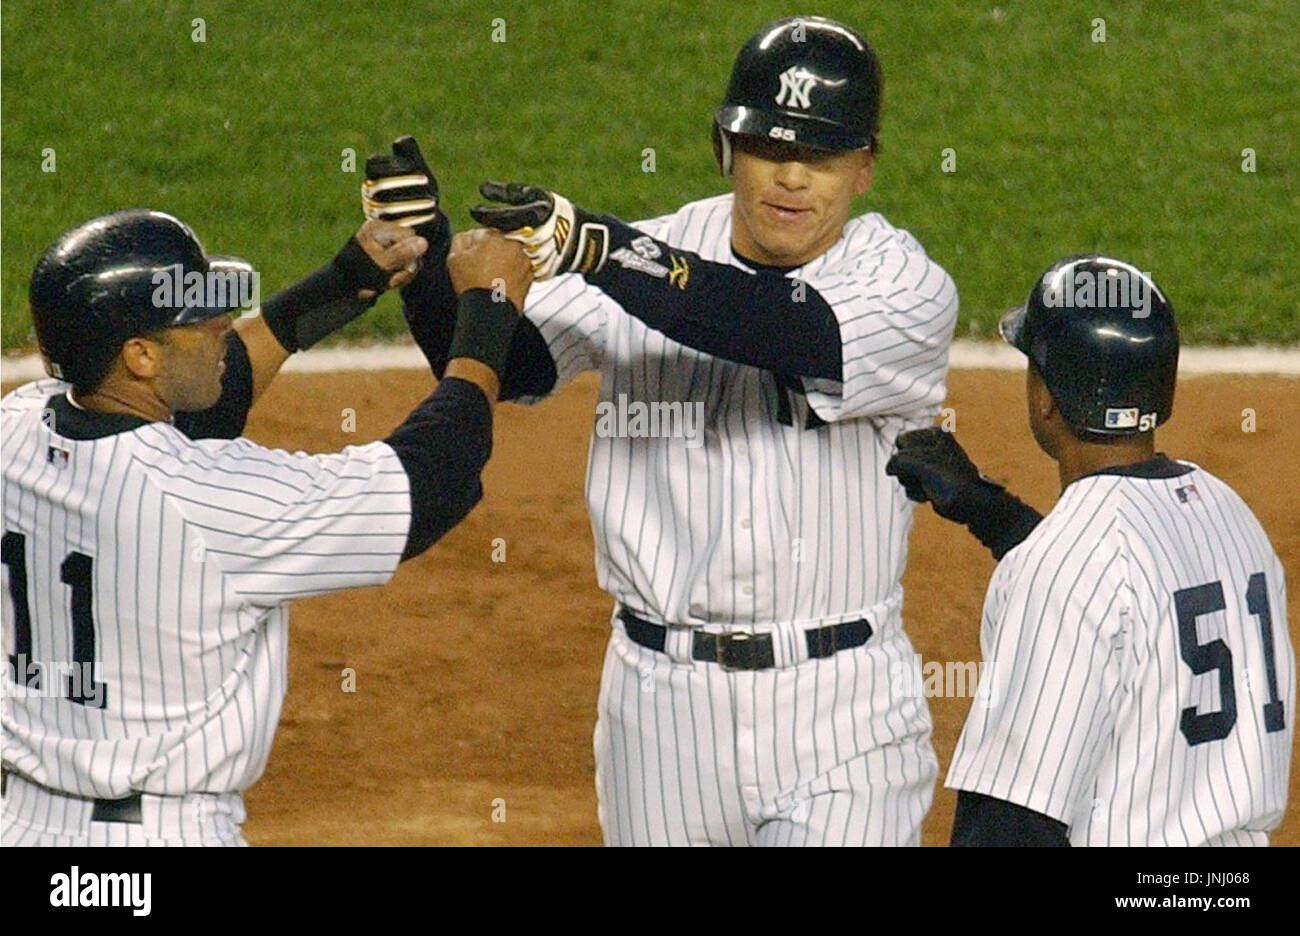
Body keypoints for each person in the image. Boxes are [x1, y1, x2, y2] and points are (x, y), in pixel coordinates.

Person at [364, 15, 958, 846]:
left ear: (863, 168)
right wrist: (428, 269)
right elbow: (517, 367)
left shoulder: (903, 284)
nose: (790, 177)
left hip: (843, 716)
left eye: (819, 156)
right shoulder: (653, 250)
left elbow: (777, 328)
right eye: (766, 148)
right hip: (660, 715)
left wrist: (605, 250)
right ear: (725, 146)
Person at [0, 207, 534, 846]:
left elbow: (200, 407)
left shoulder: (19, 430)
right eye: (200, 320)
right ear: (140, 355)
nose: (224, 326)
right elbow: (434, 478)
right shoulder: (211, 500)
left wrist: (343, 283)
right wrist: (486, 307)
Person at [885, 255, 1294, 846]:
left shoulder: (1064, 568)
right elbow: (1123, 594)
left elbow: (1011, 822)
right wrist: (985, 507)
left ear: (1046, 399)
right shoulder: (1228, 512)